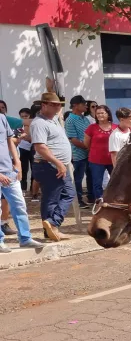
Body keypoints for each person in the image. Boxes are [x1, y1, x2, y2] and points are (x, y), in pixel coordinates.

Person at [30, 92, 75, 242]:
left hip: (58, 166)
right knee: (51, 198)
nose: (57, 107)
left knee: (69, 193)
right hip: (48, 165)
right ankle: (51, 227)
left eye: (59, 105)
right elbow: (40, 147)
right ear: (43, 105)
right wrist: (58, 163)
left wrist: (51, 89)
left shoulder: (54, 118)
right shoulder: (39, 123)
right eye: (53, 105)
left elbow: (59, 108)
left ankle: (52, 224)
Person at [0, 111, 43, 253]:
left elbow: (9, 140)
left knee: (19, 205)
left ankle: (25, 238)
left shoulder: (2, 118)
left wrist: (17, 161)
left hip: (9, 171)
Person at [64, 95, 92, 209]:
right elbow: (73, 139)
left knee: (91, 176)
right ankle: (78, 200)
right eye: (83, 103)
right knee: (78, 179)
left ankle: (91, 197)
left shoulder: (85, 118)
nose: (86, 105)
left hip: (89, 153)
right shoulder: (70, 120)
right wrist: (88, 147)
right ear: (75, 105)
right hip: (77, 155)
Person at [84, 105, 114, 202]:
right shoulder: (91, 127)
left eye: (102, 113)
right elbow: (86, 143)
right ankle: (99, 202)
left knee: (115, 181)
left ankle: (113, 201)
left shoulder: (116, 127)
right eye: (98, 113)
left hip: (112, 159)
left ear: (108, 114)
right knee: (97, 183)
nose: (100, 115)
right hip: (96, 160)